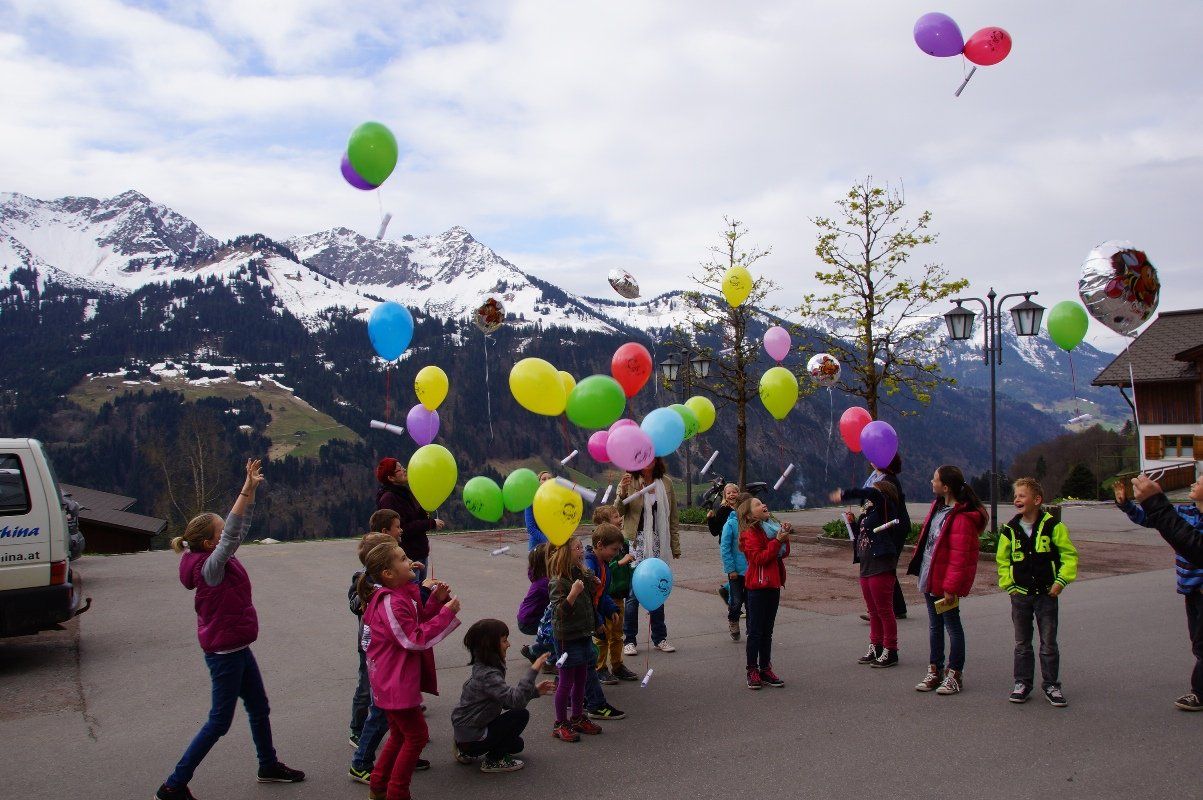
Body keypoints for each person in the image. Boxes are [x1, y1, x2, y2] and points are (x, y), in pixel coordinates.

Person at [155, 459, 304, 800]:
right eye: (220, 533)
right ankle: (173, 785)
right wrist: (243, 490)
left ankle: (268, 765)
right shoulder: (211, 568)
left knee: (259, 707)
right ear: (210, 544)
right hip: (225, 654)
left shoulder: (213, 558)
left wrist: (250, 491)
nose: (227, 536)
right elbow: (233, 533)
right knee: (219, 722)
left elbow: (239, 527)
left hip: (236, 648)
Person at [360, 540, 460, 800]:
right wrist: (446, 615)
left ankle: (379, 786)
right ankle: (397, 792)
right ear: (388, 573)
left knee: (399, 735)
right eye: (403, 559)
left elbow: (416, 622)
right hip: (395, 683)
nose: (411, 562)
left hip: (394, 680)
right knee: (416, 736)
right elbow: (412, 638)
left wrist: (436, 602)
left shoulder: (401, 596)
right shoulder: (391, 602)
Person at [1117, 472, 1203, 712]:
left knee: (1202, 645)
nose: (1193, 483)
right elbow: (1151, 518)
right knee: (1197, 641)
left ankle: (1199, 693)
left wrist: (1155, 500)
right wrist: (1126, 505)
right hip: (1190, 590)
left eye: (1199, 481)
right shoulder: (1185, 512)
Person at [996, 477, 1078, 707]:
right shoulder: (1010, 530)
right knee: (1022, 643)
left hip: (1046, 594)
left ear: (1037, 500)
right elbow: (1002, 560)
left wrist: (1061, 581)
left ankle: (1051, 685)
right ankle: (1022, 683)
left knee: (1048, 643)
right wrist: (1009, 585)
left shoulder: (1053, 526)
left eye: (1022, 495)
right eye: (1015, 496)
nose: (1017, 499)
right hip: (1020, 595)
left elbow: (1069, 555)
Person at [906, 465, 987, 696]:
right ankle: (935, 670)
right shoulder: (938, 507)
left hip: (944, 582)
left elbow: (959, 558)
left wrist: (950, 587)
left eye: (935, 479)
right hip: (931, 575)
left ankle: (955, 674)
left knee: (952, 625)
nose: (931, 482)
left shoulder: (961, 518)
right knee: (935, 625)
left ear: (946, 487)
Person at [350, 532, 417, 784]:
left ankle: (401, 756)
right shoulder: (377, 591)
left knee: (396, 724)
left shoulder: (387, 588)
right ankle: (360, 762)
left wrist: (409, 577)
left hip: (384, 662)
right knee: (380, 715)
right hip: (383, 664)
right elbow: (409, 636)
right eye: (401, 557)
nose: (406, 560)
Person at [451, 619, 556, 773]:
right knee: (520, 715)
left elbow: (505, 701)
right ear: (490, 645)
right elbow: (515, 702)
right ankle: (493, 760)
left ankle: (465, 747)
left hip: (471, 730)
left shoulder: (486, 667)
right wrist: (533, 671)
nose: (508, 644)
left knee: (517, 745)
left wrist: (534, 692)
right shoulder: (488, 674)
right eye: (504, 640)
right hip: (471, 735)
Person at [829, 480, 904, 668]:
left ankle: (891, 649)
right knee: (873, 610)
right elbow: (863, 536)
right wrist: (853, 523)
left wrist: (845, 494)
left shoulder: (885, 508)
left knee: (884, 610)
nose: (869, 497)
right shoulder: (869, 513)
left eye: (874, 492)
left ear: (882, 493)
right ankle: (876, 645)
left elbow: (872, 493)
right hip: (867, 564)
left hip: (881, 565)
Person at [350, 511, 402, 749]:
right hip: (370, 645)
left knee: (386, 690)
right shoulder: (363, 580)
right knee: (366, 689)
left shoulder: (394, 576)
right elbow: (354, 604)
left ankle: (399, 731)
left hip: (388, 644)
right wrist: (370, 594)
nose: (401, 530)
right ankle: (357, 729)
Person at [617, 457, 680, 654]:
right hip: (636, 541)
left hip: (658, 540)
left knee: (657, 588)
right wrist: (622, 492)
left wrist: (675, 545)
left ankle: (660, 638)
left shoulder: (666, 483)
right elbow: (619, 510)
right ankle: (629, 640)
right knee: (634, 592)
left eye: (651, 456)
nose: (648, 460)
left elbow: (673, 517)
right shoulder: (629, 480)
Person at [546, 537, 603, 742]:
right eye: (577, 548)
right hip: (567, 638)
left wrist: (593, 581)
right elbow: (559, 613)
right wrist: (573, 593)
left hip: (583, 633)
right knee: (566, 682)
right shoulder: (558, 581)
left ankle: (577, 717)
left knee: (581, 679)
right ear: (565, 553)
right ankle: (560, 723)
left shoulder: (580, 574)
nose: (581, 551)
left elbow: (589, 599)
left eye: (581, 547)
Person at [738, 497, 792, 689]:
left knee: (767, 632)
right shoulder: (749, 533)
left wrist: (783, 536)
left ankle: (765, 668)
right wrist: (777, 541)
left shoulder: (770, 528)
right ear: (749, 514)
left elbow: (782, 553)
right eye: (758, 504)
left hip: (773, 585)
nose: (764, 505)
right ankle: (752, 669)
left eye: (762, 503)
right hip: (757, 588)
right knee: (755, 632)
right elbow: (759, 558)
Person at [583, 523, 627, 720]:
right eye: (614, 549)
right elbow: (588, 599)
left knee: (582, 661)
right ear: (600, 545)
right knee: (584, 661)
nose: (616, 554)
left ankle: (578, 698)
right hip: (580, 621)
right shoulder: (589, 567)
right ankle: (594, 704)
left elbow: (601, 595)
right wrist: (598, 621)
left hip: (587, 619)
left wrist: (611, 609)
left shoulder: (603, 565)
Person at [376, 457, 445, 584]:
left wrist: (425, 508)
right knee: (414, 591)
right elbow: (403, 529)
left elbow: (414, 517)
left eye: (403, 467)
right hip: (408, 556)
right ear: (391, 478)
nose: (404, 470)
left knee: (421, 591)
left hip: (419, 553)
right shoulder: (389, 499)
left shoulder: (404, 493)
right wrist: (431, 523)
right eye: (399, 469)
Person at [859, 455, 909, 621]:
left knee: (884, 567)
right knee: (887, 567)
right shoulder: (878, 477)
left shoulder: (888, 480)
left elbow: (887, 506)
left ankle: (882, 608)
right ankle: (897, 608)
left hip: (892, 528)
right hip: (888, 526)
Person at [593, 505, 639, 681]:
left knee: (617, 634)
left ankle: (617, 665)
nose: (620, 519)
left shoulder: (622, 543)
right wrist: (620, 563)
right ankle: (600, 668)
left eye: (620, 516)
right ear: (605, 524)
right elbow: (606, 568)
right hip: (606, 597)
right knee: (603, 635)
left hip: (619, 595)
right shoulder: (603, 548)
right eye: (615, 516)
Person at [720, 491, 753, 641]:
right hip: (736, 571)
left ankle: (751, 630)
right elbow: (725, 548)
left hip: (752, 570)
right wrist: (730, 569)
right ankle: (733, 620)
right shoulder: (731, 523)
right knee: (737, 601)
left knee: (751, 602)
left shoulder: (754, 523)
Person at [709, 483, 739, 606]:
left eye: (734, 492)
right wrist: (710, 519)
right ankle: (733, 605)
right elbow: (715, 531)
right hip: (728, 546)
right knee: (734, 573)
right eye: (728, 493)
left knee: (742, 572)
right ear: (725, 496)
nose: (732, 495)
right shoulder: (723, 510)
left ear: (739, 493)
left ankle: (726, 589)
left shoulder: (742, 508)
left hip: (741, 545)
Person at [524, 471, 554, 550]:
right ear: (538, 483)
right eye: (544, 479)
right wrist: (548, 541)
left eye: (549, 479)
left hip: (556, 545)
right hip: (538, 547)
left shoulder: (557, 500)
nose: (547, 481)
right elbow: (530, 528)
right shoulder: (531, 501)